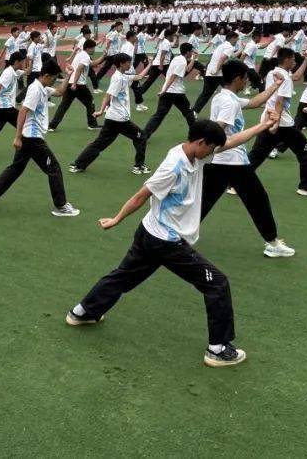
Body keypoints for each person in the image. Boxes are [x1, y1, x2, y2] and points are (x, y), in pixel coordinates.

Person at [64, 116, 279, 368]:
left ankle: (82, 312)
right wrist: (116, 219)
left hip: (149, 233)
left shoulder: (195, 153)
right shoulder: (174, 166)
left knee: (123, 276)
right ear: (200, 142)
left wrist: (263, 126)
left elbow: (231, 142)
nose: (212, 153)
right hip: (166, 242)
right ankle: (218, 349)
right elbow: (141, 195)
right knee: (217, 283)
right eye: (210, 148)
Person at [202, 60, 295, 258]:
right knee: (258, 200)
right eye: (245, 78)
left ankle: (173, 235)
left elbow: (255, 102)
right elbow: (218, 128)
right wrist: (206, 147)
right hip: (232, 162)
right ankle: (272, 243)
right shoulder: (228, 102)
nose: (247, 82)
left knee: (203, 202)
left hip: (221, 162)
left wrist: (275, 85)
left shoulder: (224, 97)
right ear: (237, 79)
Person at [0, 59, 81, 217]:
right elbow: (22, 111)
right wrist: (17, 137)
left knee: (16, 168)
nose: (55, 80)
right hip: (33, 139)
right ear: (46, 75)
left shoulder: (43, 88)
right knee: (53, 168)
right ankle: (61, 206)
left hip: (30, 138)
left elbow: (60, 92)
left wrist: (68, 76)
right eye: (54, 77)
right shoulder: (35, 90)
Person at [248, 48, 307, 197]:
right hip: (281, 123)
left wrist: (306, 60)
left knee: (257, 155)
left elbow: (296, 76)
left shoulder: (273, 73)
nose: (295, 62)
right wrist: (276, 123)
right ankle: (306, 187)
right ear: (287, 59)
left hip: (270, 120)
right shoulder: (284, 78)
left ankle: (234, 184)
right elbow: (280, 102)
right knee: (306, 150)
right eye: (293, 59)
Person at [69, 52, 150, 175]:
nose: (130, 64)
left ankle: (78, 164)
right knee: (141, 136)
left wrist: (151, 65)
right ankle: (139, 166)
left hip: (113, 119)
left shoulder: (123, 76)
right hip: (119, 119)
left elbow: (138, 77)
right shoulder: (118, 78)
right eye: (128, 62)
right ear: (121, 64)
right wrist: (101, 111)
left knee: (100, 144)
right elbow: (108, 95)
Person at [140, 42, 198, 143]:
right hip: (175, 93)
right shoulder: (182, 62)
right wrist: (164, 90)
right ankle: (196, 135)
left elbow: (187, 70)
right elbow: (173, 77)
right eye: (191, 51)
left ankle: (144, 136)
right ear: (188, 52)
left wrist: (193, 58)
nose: (192, 53)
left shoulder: (177, 59)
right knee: (188, 113)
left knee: (159, 115)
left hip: (170, 93)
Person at [48, 38, 102, 132]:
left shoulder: (80, 54)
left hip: (70, 82)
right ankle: (92, 124)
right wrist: (75, 84)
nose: (94, 50)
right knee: (90, 102)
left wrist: (104, 56)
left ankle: (52, 126)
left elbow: (93, 64)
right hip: (78, 84)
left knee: (64, 105)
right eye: (93, 48)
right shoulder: (85, 57)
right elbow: (79, 69)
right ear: (88, 48)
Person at [192, 30, 239, 114]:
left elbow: (231, 56)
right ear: (233, 38)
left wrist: (242, 49)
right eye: (237, 39)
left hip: (210, 73)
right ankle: (233, 111)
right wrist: (217, 70)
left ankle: (194, 112)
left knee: (205, 94)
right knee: (231, 91)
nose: (237, 41)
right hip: (218, 74)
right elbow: (222, 58)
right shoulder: (229, 47)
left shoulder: (222, 45)